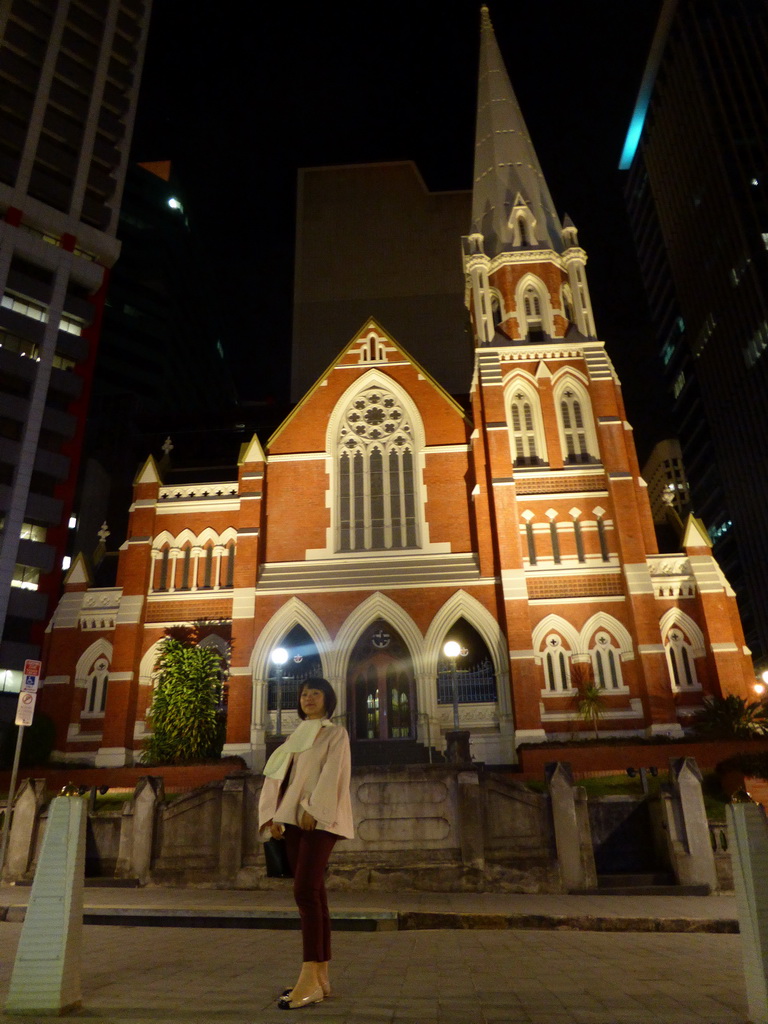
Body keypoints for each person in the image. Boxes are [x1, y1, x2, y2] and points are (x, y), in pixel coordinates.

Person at [258, 677, 354, 1010]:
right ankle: (321, 977)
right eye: (303, 693)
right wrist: (274, 817)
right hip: (291, 823)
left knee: (304, 892)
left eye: (315, 693)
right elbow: (279, 780)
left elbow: (333, 773)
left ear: (328, 699)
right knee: (315, 894)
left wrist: (315, 808)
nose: (308, 697)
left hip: (317, 820)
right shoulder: (293, 739)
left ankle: (308, 977)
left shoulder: (334, 734)